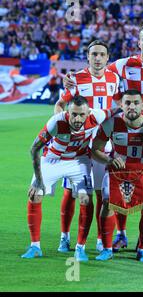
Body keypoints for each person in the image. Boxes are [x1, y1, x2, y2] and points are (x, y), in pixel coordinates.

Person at [64, 24, 143, 253]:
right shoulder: (123, 65)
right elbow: (99, 72)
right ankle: (121, 234)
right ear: (138, 42)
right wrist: (72, 82)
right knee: (121, 180)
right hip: (124, 132)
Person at [21, 95, 114, 262]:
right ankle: (35, 246)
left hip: (79, 161)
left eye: (81, 115)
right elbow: (34, 149)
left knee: (86, 199)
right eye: (74, 114)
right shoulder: (56, 122)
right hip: (52, 159)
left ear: (88, 113)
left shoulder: (97, 116)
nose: (77, 119)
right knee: (35, 194)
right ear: (67, 112)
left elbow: (116, 111)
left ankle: (80, 248)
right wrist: (38, 179)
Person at [55, 40, 121, 253]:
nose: (98, 58)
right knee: (71, 192)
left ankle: (101, 238)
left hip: (103, 144)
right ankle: (64, 236)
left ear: (108, 58)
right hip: (79, 145)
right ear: (88, 57)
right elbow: (60, 105)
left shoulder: (114, 79)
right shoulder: (76, 79)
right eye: (94, 54)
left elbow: (119, 104)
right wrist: (63, 129)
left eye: (102, 54)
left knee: (103, 194)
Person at [91, 89, 143, 263]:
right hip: (119, 171)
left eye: (135, 103)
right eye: (127, 103)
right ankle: (107, 248)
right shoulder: (111, 123)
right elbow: (95, 149)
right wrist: (109, 160)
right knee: (107, 201)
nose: (131, 106)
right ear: (121, 105)